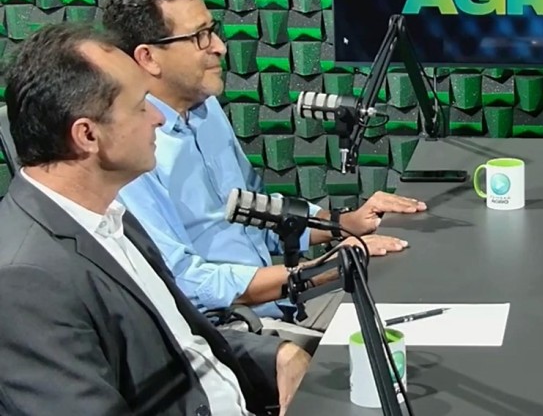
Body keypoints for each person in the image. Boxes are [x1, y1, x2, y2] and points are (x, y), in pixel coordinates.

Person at [101, 0, 427, 351]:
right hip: (233, 333)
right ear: (148, 57)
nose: (219, 47)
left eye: (213, 30)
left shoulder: (206, 109)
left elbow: (261, 213)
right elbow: (183, 281)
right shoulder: (132, 152)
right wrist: (318, 271)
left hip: (285, 304)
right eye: (200, 36)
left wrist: (345, 224)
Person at [0, 23, 311, 415]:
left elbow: (183, 342)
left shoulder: (113, 218)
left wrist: (279, 355)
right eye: (140, 105)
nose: (158, 119)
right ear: (88, 136)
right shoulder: (24, 279)